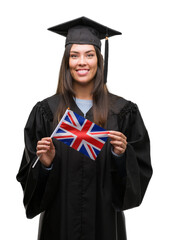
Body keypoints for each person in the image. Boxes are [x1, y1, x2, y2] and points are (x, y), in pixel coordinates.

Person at [16, 17, 153, 240]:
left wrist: (120, 156)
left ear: (99, 60)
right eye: (74, 55)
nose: (82, 62)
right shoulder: (46, 113)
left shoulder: (124, 112)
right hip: (59, 227)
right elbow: (28, 182)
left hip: (105, 227)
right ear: (66, 62)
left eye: (89, 55)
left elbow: (137, 181)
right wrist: (45, 165)